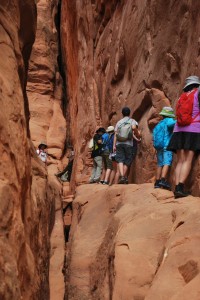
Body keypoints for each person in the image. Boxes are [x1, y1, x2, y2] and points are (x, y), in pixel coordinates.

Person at [168, 75, 200, 198]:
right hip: (193, 130)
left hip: (178, 130)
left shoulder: (182, 97)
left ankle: (177, 188)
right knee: (188, 159)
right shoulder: (197, 94)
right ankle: (181, 187)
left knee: (180, 160)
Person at [113, 107, 141, 184]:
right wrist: (138, 134)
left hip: (119, 143)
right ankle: (124, 177)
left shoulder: (119, 122)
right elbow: (134, 128)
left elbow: (116, 134)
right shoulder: (133, 121)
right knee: (127, 160)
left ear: (122, 113)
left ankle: (122, 176)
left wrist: (114, 145)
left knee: (120, 160)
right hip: (129, 143)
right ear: (129, 113)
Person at [153, 107, 176, 190]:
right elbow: (171, 125)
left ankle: (157, 182)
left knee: (160, 164)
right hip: (166, 146)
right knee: (167, 162)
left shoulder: (159, 123)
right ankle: (163, 180)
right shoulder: (169, 120)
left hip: (159, 146)